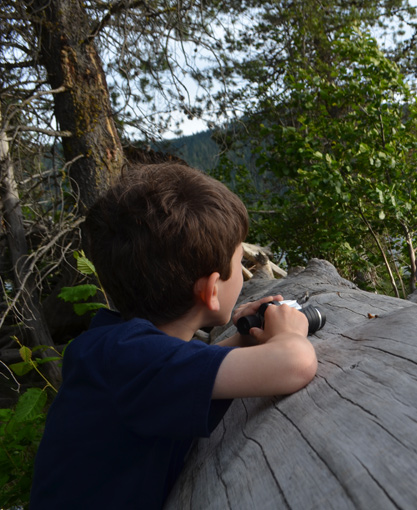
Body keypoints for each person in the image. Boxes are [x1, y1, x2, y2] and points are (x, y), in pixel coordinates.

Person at [30, 162, 317, 509]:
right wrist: (290, 333)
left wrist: (244, 337)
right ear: (212, 291)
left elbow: (187, 373)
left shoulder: (117, 349)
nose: (243, 276)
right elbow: (295, 364)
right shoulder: (132, 358)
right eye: (239, 263)